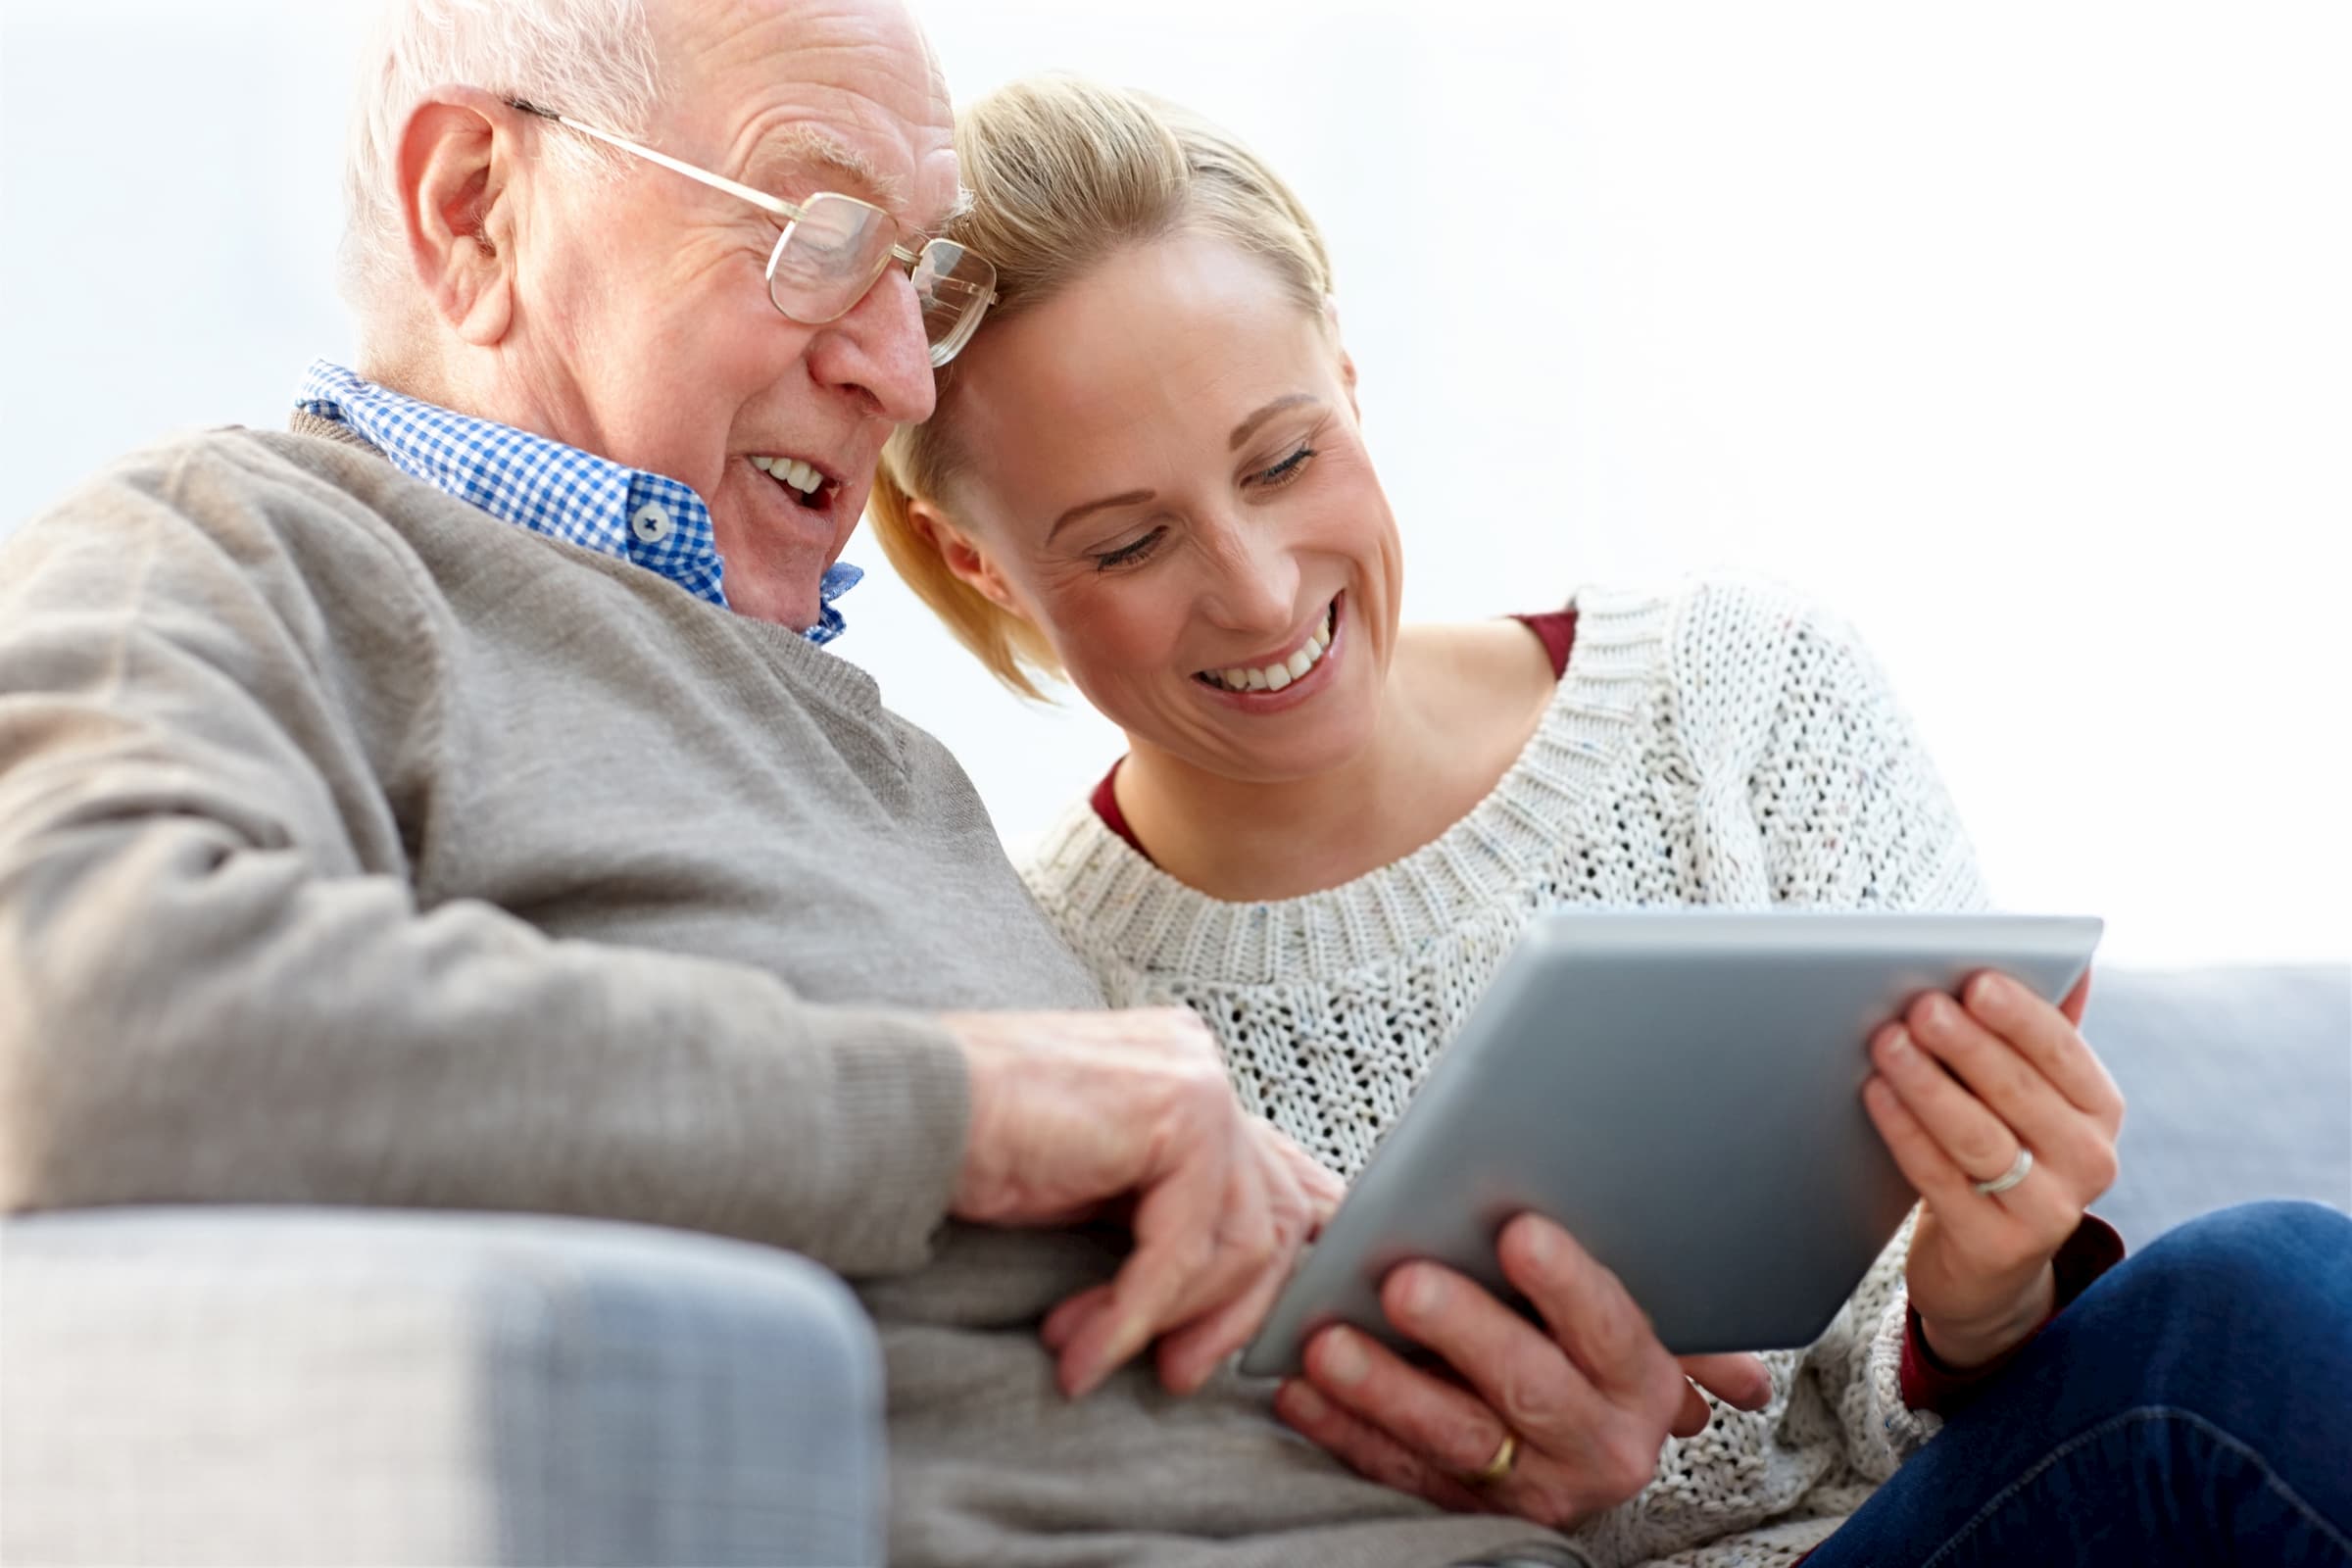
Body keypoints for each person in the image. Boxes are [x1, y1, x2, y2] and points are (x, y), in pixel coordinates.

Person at [867, 75, 2352, 1566]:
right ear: (977, 564)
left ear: (1351, 379)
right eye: (1129, 541)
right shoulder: (1039, 986)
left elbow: (1964, 1434)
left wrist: (1988, 1294)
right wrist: (1486, 1510)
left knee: (2251, 1307)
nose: (1258, 590)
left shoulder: (1742, 701)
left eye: (1285, 458)